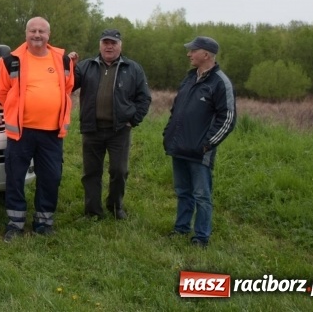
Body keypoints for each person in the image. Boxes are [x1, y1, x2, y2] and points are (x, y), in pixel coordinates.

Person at [0, 17, 74, 242]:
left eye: (41, 31)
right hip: (21, 132)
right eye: (32, 31)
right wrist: (18, 108)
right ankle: (15, 224)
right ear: (26, 33)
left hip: (52, 133)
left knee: (51, 178)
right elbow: (0, 93)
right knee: (15, 178)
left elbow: (67, 88)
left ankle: (43, 223)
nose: (37, 35)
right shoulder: (10, 61)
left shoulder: (63, 60)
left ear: (49, 35)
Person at [69, 29, 151, 220]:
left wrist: (133, 120)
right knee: (91, 172)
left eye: (113, 43)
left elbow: (144, 98)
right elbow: (68, 85)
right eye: (105, 42)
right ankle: (92, 212)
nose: (109, 46)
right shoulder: (86, 66)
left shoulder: (133, 68)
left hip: (119, 130)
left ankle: (115, 207)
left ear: (120, 46)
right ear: (100, 45)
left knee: (119, 171)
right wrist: (70, 66)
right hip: (92, 128)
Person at [163, 36, 236, 247]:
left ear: (206, 54)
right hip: (179, 147)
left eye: (193, 51)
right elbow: (176, 110)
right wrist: (169, 134)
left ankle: (201, 237)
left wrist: (206, 144)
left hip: (200, 151)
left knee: (202, 195)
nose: (189, 54)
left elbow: (228, 119)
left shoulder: (220, 82)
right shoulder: (189, 78)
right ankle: (181, 229)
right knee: (183, 192)